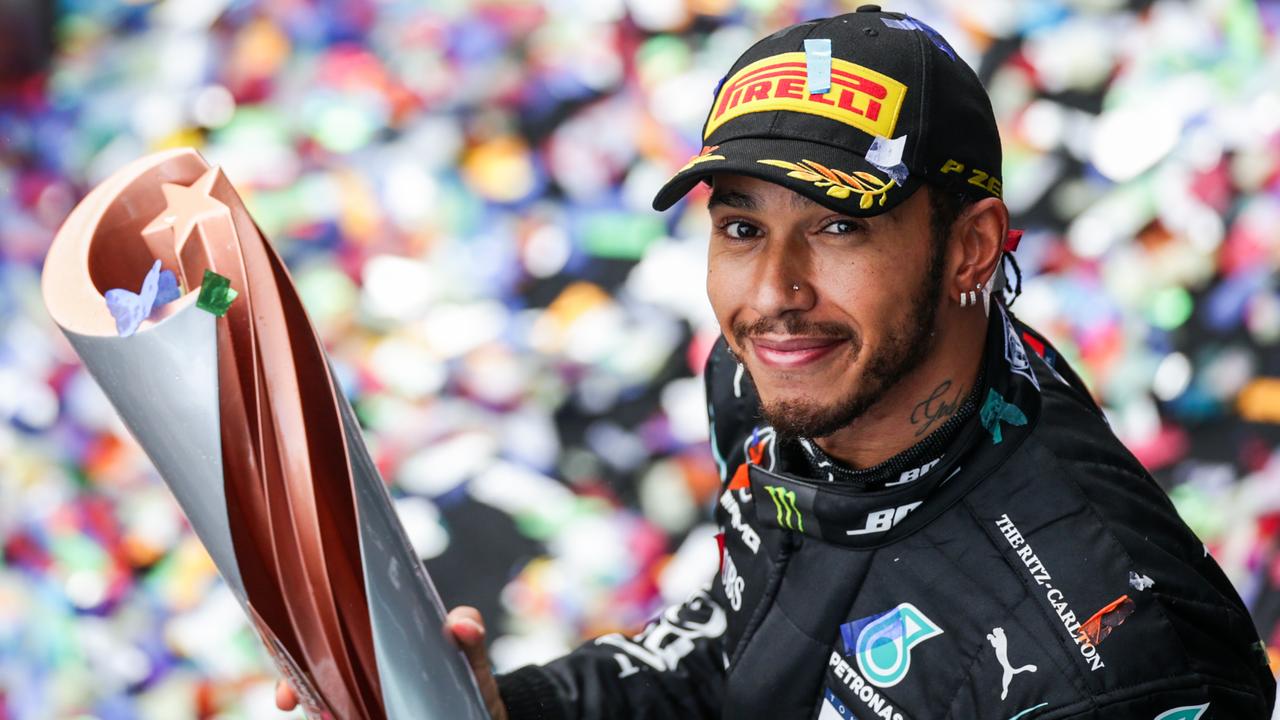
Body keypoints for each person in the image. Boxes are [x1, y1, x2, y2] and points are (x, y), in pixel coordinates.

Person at [282, 6, 1277, 718]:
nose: (770, 297)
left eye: (838, 227)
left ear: (971, 247)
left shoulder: (1121, 662)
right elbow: (751, 640)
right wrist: (505, 709)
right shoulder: (781, 384)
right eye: (741, 226)